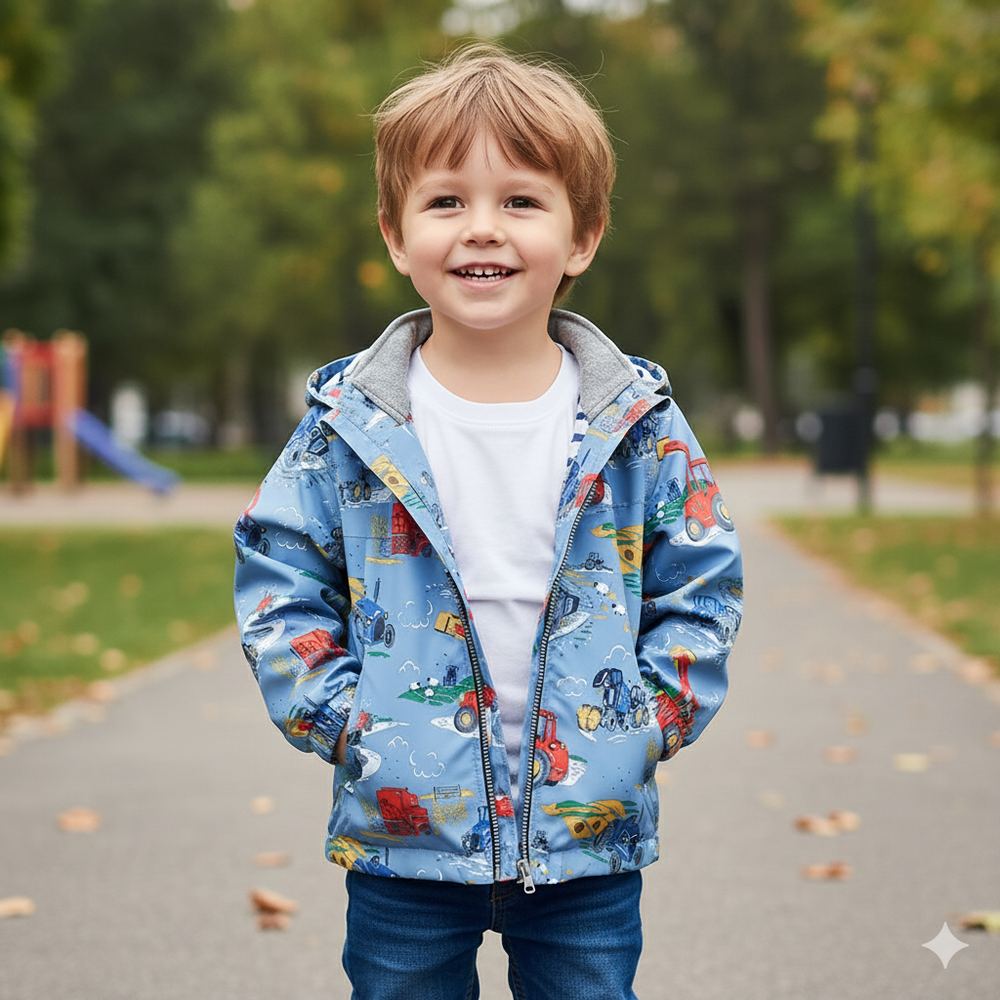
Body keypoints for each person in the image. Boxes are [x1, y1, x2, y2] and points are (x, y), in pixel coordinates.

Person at [234, 44, 742, 1000]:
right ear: (395, 235)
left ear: (582, 237)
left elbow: (701, 577)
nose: (482, 228)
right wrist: (344, 722)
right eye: (445, 201)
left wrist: (647, 721)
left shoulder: (634, 422)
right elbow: (279, 570)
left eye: (520, 200)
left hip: (586, 833)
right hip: (405, 831)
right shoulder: (353, 424)